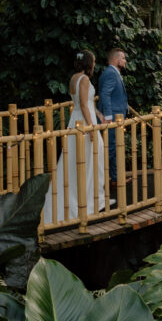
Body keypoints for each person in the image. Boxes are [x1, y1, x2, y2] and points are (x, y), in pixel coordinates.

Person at [41, 51, 106, 224]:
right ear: (89, 63)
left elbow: (82, 103)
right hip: (83, 122)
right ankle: (86, 200)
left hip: (75, 119)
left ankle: (81, 197)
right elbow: (84, 104)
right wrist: (91, 127)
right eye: (93, 61)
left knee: (76, 161)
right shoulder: (84, 80)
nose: (95, 64)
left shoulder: (73, 78)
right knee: (90, 158)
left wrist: (97, 113)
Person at [96, 47, 129, 183]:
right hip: (112, 118)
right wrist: (108, 116)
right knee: (109, 149)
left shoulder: (112, 72)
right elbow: (104, 94)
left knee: (114, 148)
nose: (125, 61)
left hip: (117, 116)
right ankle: (99, 181)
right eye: (123, 58)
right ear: (115, 60)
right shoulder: (111, 73)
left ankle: (115, 179)